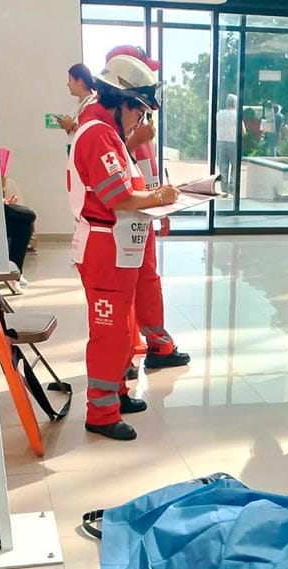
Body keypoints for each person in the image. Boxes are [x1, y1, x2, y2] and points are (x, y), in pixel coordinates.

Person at [67, 55, 179, 441]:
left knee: (119, 327)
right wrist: (159, 197)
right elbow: (117, 196)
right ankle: (100, 413)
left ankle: (115, 393)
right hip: (104, 248)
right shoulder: (98, 134)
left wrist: (155, 197)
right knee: (109, 332)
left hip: (115, 246)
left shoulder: (106, 132)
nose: (141, 121)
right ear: (123, 102)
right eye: (140, 112)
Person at [104, 45, 190, 374]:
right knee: (125, 290)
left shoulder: (134, 115)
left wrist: (160, 205)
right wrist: (134, 139)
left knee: (146, 282)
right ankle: (124, 354)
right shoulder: (108, 121)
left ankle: (154, 343)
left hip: (143, 212)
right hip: (124, 219)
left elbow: (145, 168)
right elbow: (115, 175)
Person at [58, 63, 96, 153]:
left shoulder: (93, 103)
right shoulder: (77, 103)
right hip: (73, 147)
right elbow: (73, 133)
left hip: (84, 150)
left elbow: (90, 133)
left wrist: (72, 126)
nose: (68, 84)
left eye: (70, 80)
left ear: (79, 81)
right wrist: (67, 126)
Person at [216, 93, 241, 190]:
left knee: (223, 166)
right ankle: (232, 185)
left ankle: (223, 187)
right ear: (235, 104)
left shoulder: (219, 114)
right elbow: (243, 131)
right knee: (235, 165)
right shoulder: (237, 115)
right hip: (233, 142)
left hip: (221, 142)